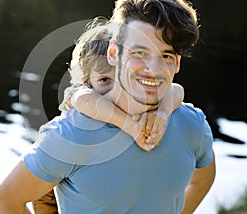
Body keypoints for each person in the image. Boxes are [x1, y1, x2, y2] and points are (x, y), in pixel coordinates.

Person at [0, 0, 216, 214]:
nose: (153, 69)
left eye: (165, 55)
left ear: (177, 62)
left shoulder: (192, 125)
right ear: (113, 53)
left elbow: (201, 181)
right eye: (140, 53)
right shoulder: (70, 134)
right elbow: (4, 202)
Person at [31, 21, 184, 213]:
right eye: (104, 80)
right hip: (57, 180)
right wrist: (130, 126)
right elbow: (86, 100)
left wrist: (162, 113)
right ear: (85, 81)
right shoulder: (79, 94)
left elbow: (176, 90)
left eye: (120, 79)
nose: (115, 88)